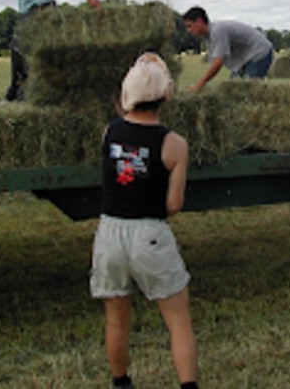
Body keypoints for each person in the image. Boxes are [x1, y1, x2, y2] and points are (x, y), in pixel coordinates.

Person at [90, 53, 199, 389]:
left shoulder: (110, 131)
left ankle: (121, 383)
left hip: (109, 232)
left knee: (117, 320)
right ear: (166, 95)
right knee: (178, 321)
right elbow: (174, 204)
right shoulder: (174, 144)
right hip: (149, 233)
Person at [182, 6, 273, 92]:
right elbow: (213, 63)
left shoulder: (218, 31)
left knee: (250, 91)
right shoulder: (208, 38)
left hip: (259, 52)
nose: (188, 30)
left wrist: (199, 85)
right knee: (233, 89)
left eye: (189, 26)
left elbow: (218, 63)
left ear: (199, 21)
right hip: (245, 59)